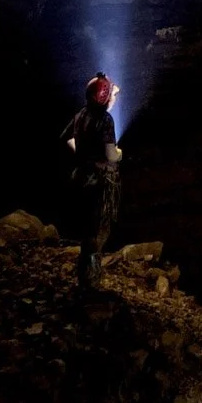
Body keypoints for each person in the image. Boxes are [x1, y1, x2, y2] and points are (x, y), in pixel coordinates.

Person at [62, 73, 121, 290]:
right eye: (109, 95)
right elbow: (110, 154)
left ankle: (83, 278)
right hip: (100, 183)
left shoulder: (82, 114)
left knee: (87, 230)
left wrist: (83, 154)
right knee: (97, 232)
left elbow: (66, 138)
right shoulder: (106, 120)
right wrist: (117, 156)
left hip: (80, 179)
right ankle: (91, 281)